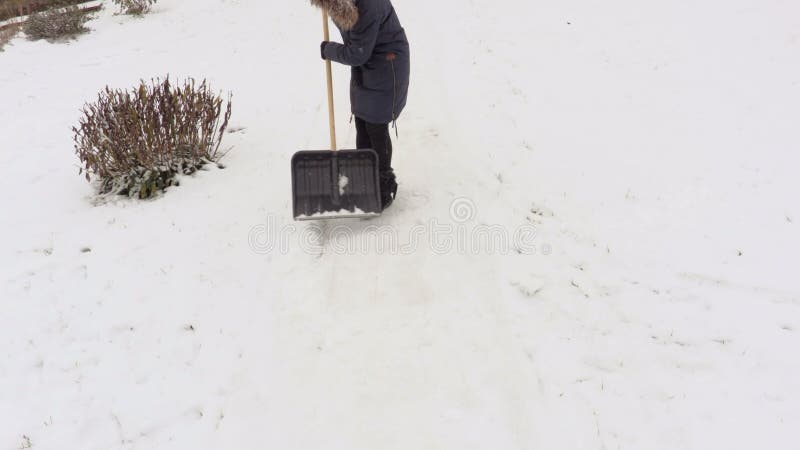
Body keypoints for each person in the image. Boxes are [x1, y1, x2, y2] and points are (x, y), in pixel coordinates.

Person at [311, 0, 410, 211]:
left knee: (376, 126)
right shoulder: (347, 4)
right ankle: (364, 175)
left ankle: (384, 184)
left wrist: (328, 50)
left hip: (386, 65)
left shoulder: (368, 6)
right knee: (362, 121)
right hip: (369, 65)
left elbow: (357, 53)